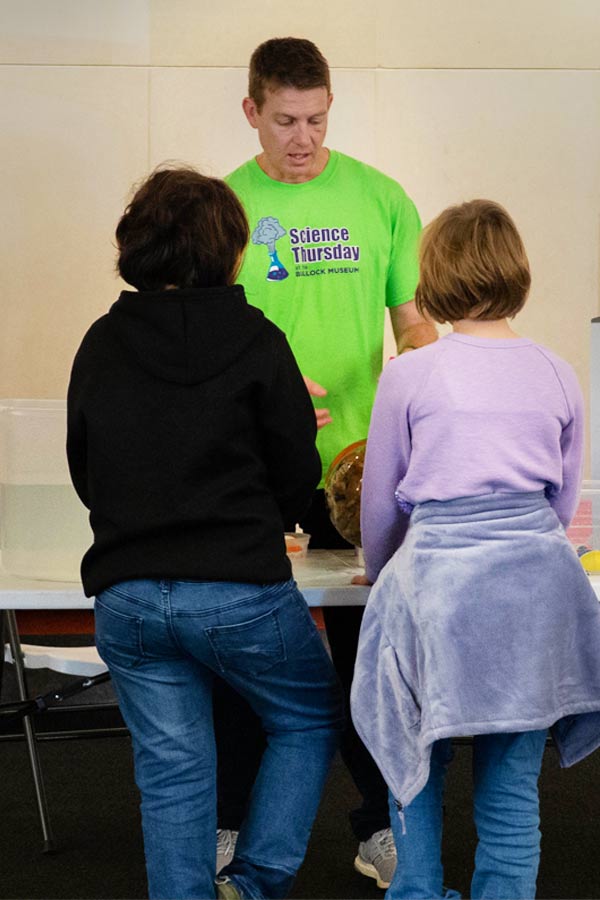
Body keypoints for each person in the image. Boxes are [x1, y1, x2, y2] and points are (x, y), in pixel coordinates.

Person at [66, 165, 344, 900]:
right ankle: (252, 884)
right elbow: (295, 476)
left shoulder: (100, 342)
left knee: (173, 770)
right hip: (240, 593)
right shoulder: (258, 338)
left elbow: (85, 469)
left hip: (125, 597)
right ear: (230, 250)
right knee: (308, 716)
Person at [213, 36, 438, 889]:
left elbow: (413, 323)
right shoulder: (225, 207)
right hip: (246, 472)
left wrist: (428, 374)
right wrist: (261, 381)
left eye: (314, 119)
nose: (301, 137)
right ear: (251, 113)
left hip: (356, 475)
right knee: (236, 657)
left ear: (329, 111)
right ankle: (232, 827)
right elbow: (204, 334)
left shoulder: (381, 199)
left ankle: (379, 827)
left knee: (369, 662)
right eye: (283, 121)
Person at [350, 198, 600, 899]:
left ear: (433, 276)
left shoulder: (411, 372)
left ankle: (419, 892)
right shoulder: (556, 371)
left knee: (414, 762)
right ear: (516, 270)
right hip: (532, 592)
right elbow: (563, 501)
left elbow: (381, 502)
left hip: (438, 591)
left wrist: (380, 571)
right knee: (513, 787)